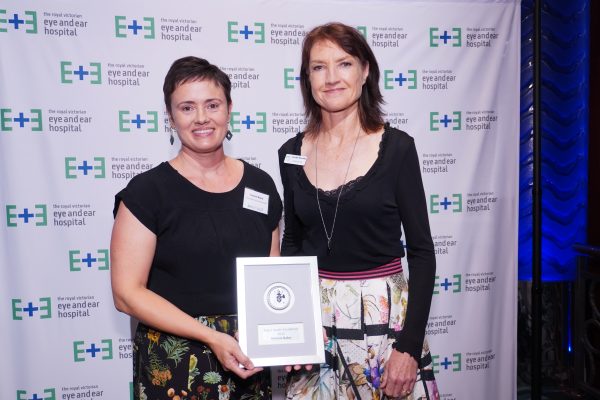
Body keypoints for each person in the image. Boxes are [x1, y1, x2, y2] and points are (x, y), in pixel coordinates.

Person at [278, 23, 439, 399]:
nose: (331, 78)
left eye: (344, 64)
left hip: (385, 325)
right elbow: (293, 242)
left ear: (365, 71)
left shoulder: (397, 148)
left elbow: (422, 251)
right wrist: (294, 322)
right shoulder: (290, 152)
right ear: (306, 79)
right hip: (316, 326)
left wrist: (409, 347)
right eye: (318, 67)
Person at [110, 56, 282, 400]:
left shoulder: (261, 185)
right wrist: (211, 336)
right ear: (170, 118)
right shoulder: (147, 192)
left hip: (248, 360)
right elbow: (127, 293)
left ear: (229, 109)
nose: (202, 118)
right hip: (173, 363)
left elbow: (271, 279)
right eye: (187, 108)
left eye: (212, 105)